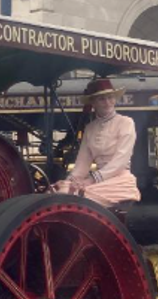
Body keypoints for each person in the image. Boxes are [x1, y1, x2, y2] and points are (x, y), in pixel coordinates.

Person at [53, 77, 139, 206]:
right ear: (93, 103)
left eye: (110, 97)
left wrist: (91, 179)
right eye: (102, 99)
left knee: (78, 198)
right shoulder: (90, 128)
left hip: (120, 181)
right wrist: (71, 181)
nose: (108, 102)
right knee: (60, 192)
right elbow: (82, 164)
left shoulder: (126, 122)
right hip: (97, 182)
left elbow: (120, 161)